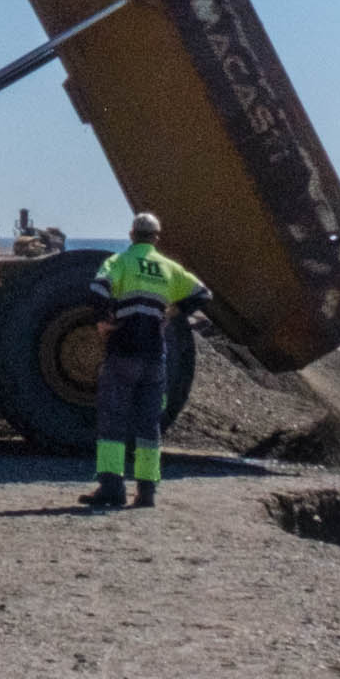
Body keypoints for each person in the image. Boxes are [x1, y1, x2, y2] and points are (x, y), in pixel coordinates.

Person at [84, 211, 205, 510]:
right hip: (155, 355)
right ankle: (147, 492)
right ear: (157, 237)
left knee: (113, 418)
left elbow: (98, 287)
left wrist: (102, 321)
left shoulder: (121, 262)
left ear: (131, 235)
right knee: (149, 424)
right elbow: (203, 294)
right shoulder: (168, 267)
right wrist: (173, 312)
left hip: (123, 349)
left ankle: (112, 488)